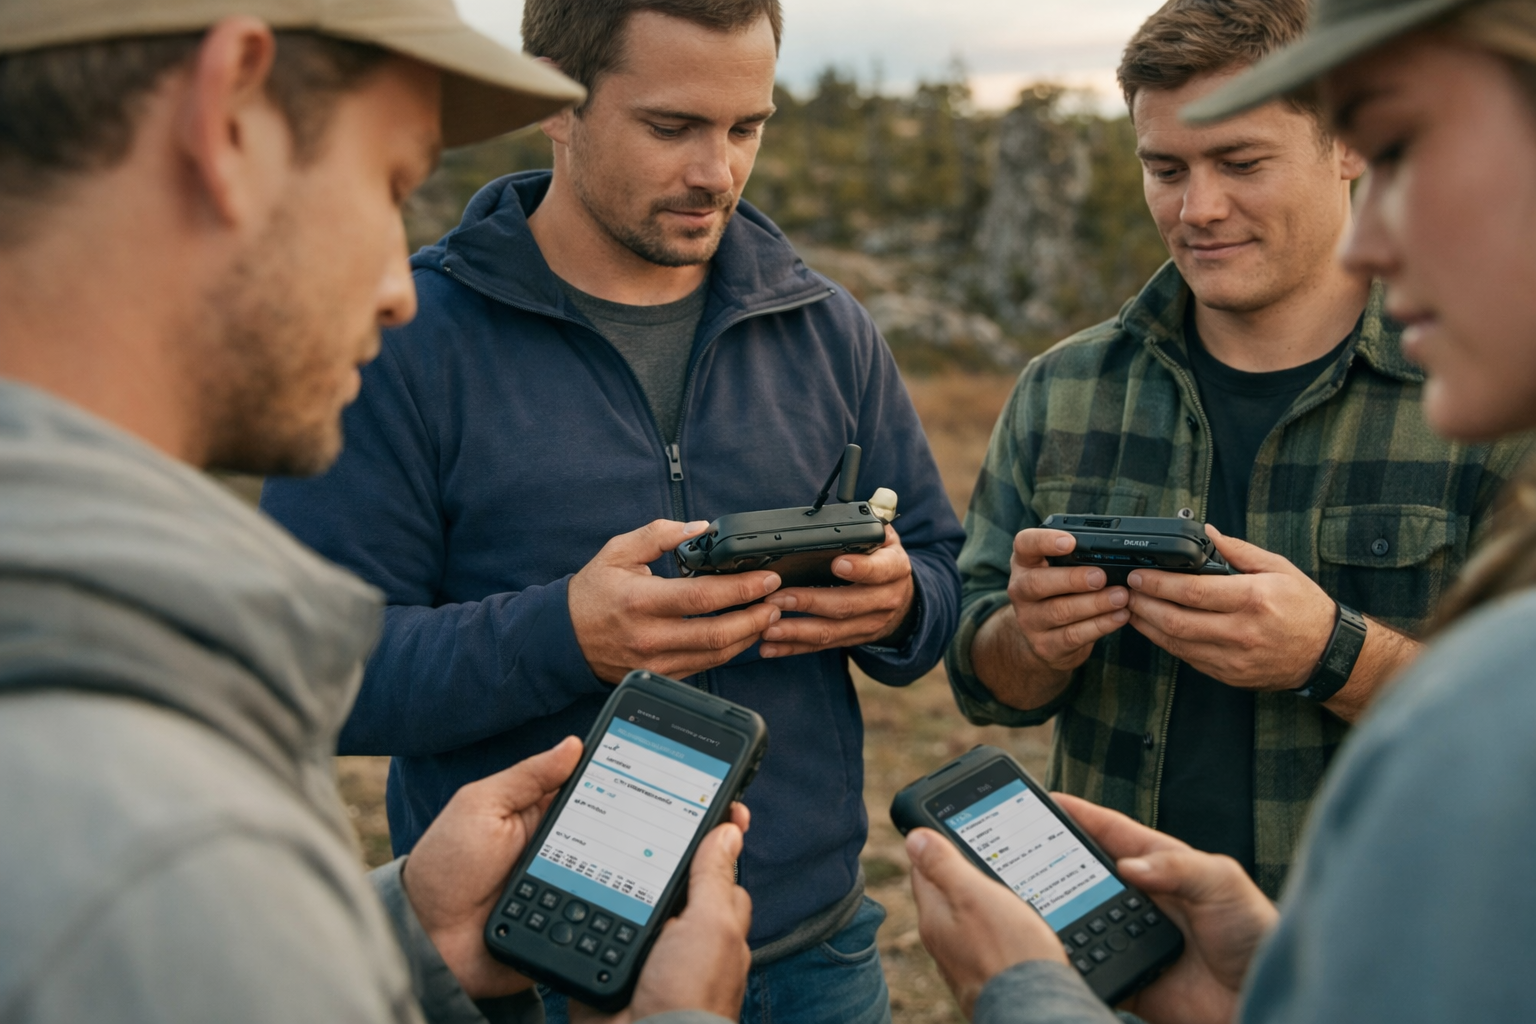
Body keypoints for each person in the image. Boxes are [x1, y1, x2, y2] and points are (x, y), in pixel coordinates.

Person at [0, 2, 756, 1021]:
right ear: (226, 121)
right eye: (389, 181)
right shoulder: (160, 842)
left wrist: (405, 936)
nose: (399, 289)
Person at [259, 1, 964, 1022]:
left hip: (813, 953)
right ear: (556, 97)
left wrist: (900, 606)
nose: (716, 172)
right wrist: (564, 636)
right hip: (525, 966)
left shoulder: (827, 328)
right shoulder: (402, 342)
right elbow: (312, 673)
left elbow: (942, 565)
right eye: (672, 128)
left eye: (745, 128)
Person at [907, 0, 1536, 1021]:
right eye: (1167, 169)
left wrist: (1330, 653)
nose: (1197, 208)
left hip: (1385, 971)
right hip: (1106, 959)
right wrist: (1031, 637)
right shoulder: (1063, 390)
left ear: (1345, 150)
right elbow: (989, 685)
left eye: (1241, 163)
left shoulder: (1488, 397)